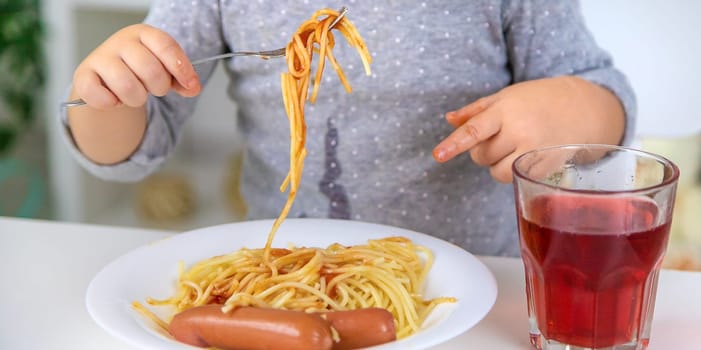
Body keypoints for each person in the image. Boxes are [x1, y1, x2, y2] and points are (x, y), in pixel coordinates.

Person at [59, 0, 635, 257]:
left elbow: (605, 99)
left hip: (477, 279)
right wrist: (108, 93)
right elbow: (134, 146)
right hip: (289, 274)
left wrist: (572, 107)